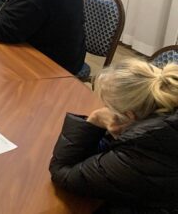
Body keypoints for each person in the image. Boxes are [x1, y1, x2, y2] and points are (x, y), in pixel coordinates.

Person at [49, 59, 178, 212]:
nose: (105, 109)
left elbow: (63, 172)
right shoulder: (165, 118)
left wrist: (95, 119)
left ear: (129, 116)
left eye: (108, 107)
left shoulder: (142, 152)